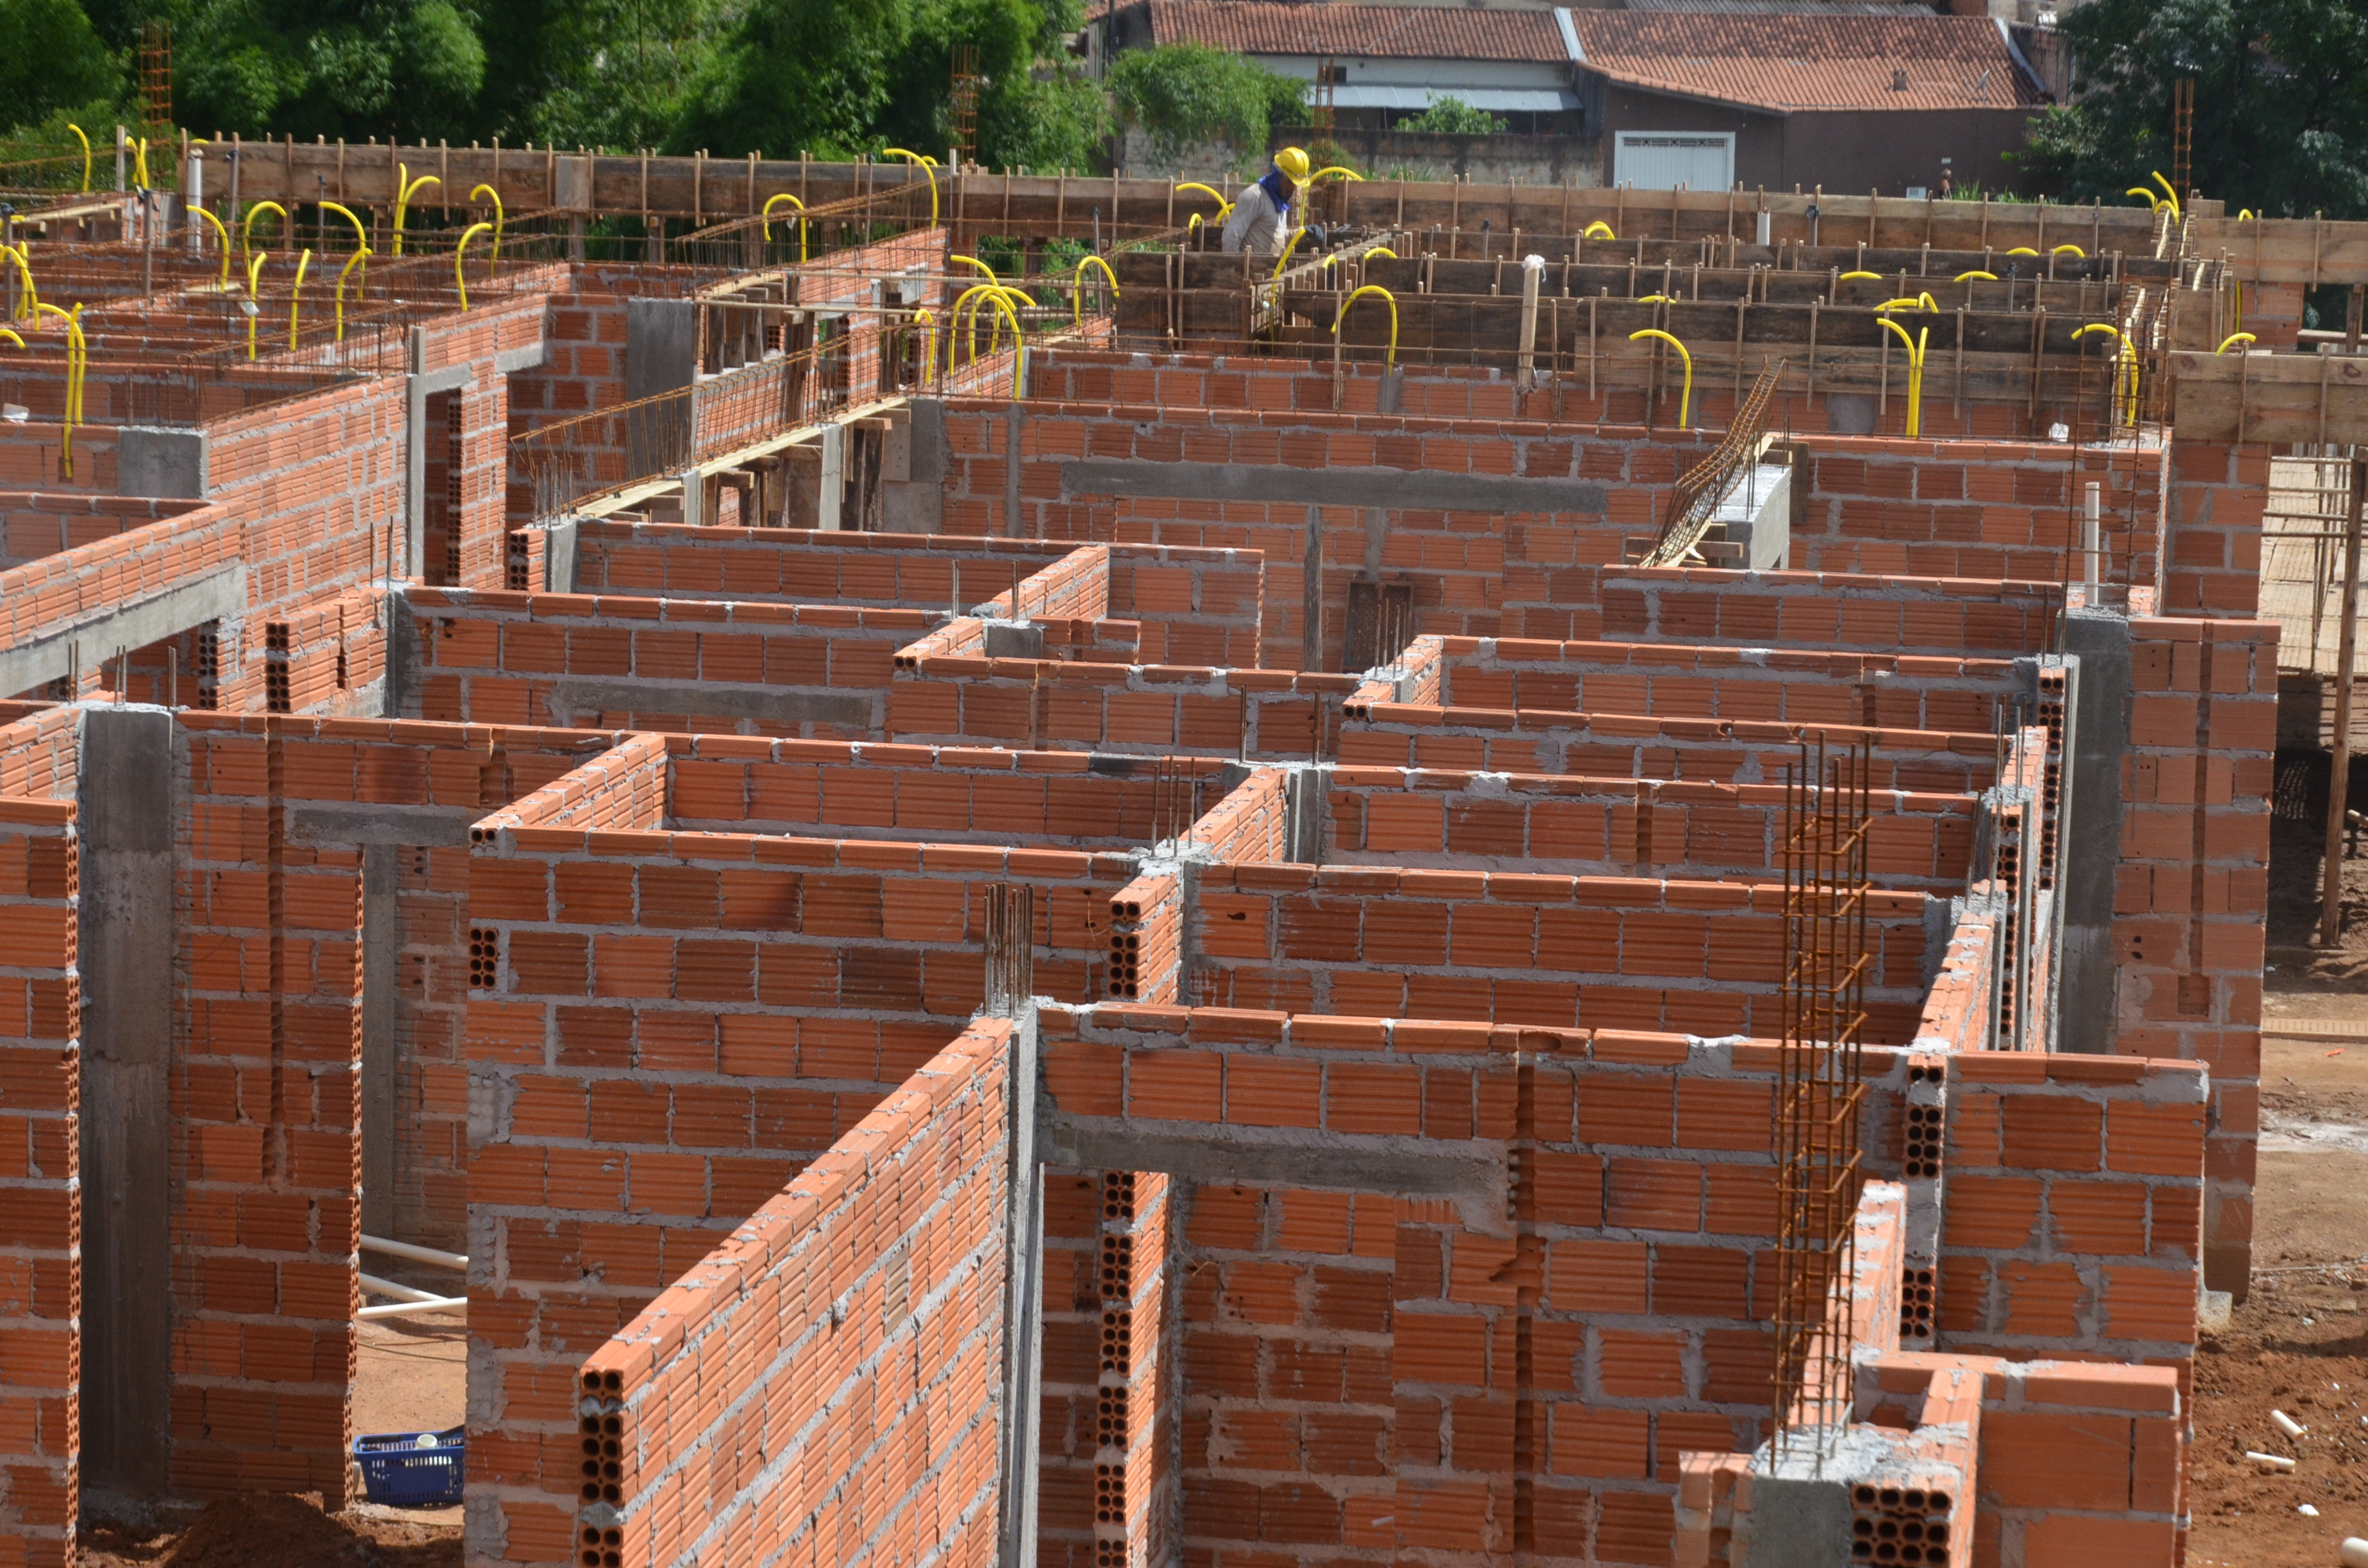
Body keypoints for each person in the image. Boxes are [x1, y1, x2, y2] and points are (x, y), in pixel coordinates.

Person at [1221, 146, 1310, 257]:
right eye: (1290, 182)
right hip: (1252, 267)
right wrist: (1237, 266)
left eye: (1296, 185)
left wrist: (1303, 232)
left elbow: (1277, 237)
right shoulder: (1254, 197)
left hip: (1273, 267)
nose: (1293, 189)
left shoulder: (1280, 201)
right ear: (1277, 176)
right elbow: (1230, 239)